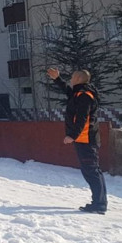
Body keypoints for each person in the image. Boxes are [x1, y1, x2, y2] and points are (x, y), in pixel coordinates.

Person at [47, 67, 107, 214]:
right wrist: (57, 79)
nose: (71, 79)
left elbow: (83, 119)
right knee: (92, 171)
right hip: (84, 139)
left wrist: (72, 135)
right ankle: (99, 202)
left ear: (79, 79)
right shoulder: (79, 93)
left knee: (91, 171)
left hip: (86, 139)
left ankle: (99, 205)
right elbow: (68, 91)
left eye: (73, 77)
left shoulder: (85, 95)